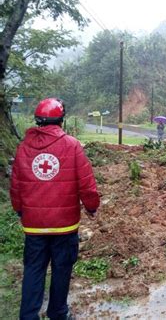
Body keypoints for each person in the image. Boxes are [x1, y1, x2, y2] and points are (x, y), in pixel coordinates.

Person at [10, 97, 100, 320]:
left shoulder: (23, 148)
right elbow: (87, 184)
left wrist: (21, 210)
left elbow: (16, 185)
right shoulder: (72, 145)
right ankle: (58, 312)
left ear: (38, 121)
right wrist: (92, 207)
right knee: (61, 269)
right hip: (65, 226)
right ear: (61, 120)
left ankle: (28, 316)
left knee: (33, 269)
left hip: (34, 227)